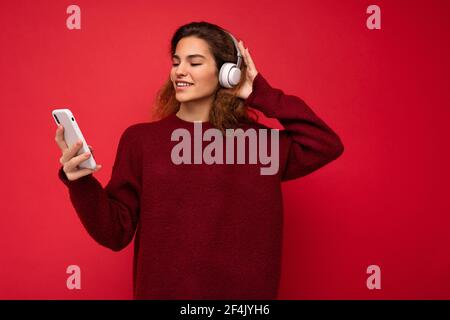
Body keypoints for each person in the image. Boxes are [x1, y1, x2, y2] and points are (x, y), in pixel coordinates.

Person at [55, 21, 344, 299]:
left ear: (227, 73)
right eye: (176, 62)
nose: (179, 71)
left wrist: (260, 93)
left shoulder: (259, 142)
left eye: (194, 63)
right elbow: (114, 233)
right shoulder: (141, 140)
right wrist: (80, 181)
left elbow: (325, 143)